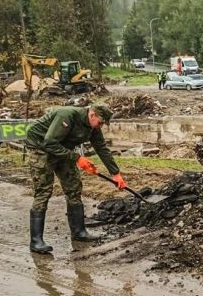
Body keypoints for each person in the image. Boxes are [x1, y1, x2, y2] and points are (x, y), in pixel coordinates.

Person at [25, 103, 127, 254]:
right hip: (41, 149)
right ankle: (36, 241)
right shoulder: (67, 115)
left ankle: (79, 232)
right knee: (43, 191)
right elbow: (49, 142)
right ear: (92, 115)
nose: (100, 126)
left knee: (74, 188)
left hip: (63, 150)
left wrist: (116, 174)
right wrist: (78, 158)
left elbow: (101, 148)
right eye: (100, 122)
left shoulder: (93, 127)